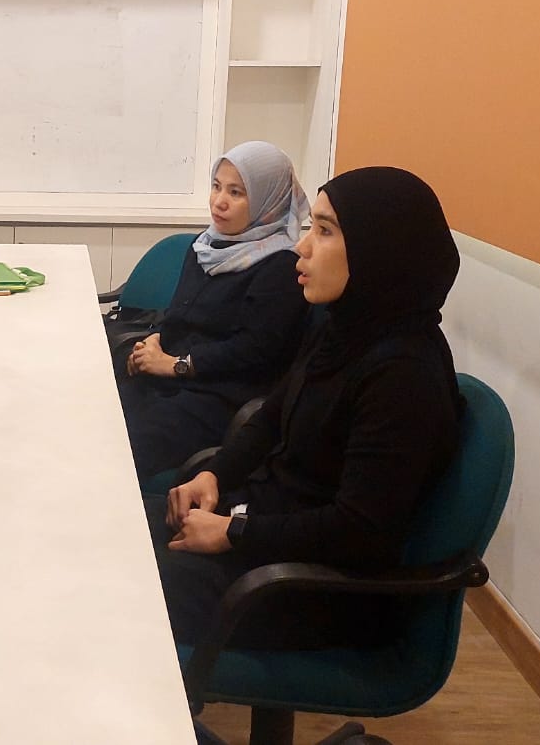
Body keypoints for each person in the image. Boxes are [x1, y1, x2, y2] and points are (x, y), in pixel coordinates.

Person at [146, 165, 463, 653]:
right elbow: (272, 416)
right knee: (116, 524)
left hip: (309, 589)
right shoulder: (345, 328)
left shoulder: (403, 375)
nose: (302, 246)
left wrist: (235, 532)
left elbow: (360, 531)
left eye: (326, 231)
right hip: (269, 534)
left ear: (379, 249)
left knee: (123, 586)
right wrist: (215, 475)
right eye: (311, 226)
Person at [116, 140, 311, 480]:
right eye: (217, 186)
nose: (219, 201)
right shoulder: (204, 246)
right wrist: (153, 343)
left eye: (236, 193)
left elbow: (255, 352)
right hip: (167, 381)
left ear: (268, 201)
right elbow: (182, 316)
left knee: (118, 450)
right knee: (92, 414)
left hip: (215, 397)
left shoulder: (281, 266)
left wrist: (176, 364)